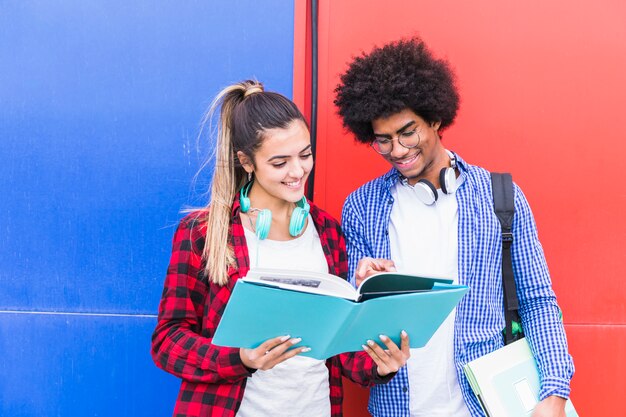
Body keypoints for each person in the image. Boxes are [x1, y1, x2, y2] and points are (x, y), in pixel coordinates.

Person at [334, 38, 574, 417]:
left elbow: (538, 301)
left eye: (407, 132)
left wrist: (555, 391)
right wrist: (361, 288)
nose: (397, 150)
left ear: (435, 118)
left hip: (484, 407)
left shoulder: (501, 198)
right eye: (383, 140)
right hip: (398, 406)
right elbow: (351, 329)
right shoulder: (362, 207)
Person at [151, 80, 410, 417]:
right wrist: (240, 358)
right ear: (247, 161)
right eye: (279, 162)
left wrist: (381, 363)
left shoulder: (328, 231)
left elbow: (339, 350)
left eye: (305, 155)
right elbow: (168, 342)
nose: (297, 171)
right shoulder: (203, 232)